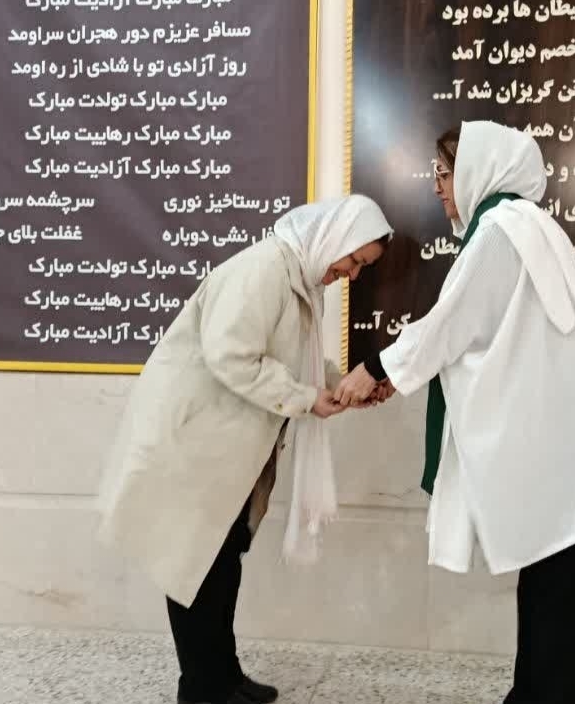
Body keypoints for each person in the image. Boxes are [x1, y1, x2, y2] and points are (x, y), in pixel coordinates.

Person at [334, 121, 575, 704]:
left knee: (554, 593)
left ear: (481, 169)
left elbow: (449, 326)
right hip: (572, 444)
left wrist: (374, 369)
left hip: (561, 448)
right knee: (555, 589)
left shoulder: (501, 231)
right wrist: (394, 372)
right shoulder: (532, 226)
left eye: (445, 172)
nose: (437, 187)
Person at [96, 194, 394, 704]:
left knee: (223, 560)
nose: (353, 274)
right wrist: (308, 399)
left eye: (362, 266)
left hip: (227, 451)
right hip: (194, 443)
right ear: (334, 239)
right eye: (354, 260)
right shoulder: (264, 270)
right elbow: (230, 356)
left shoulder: (299, 279)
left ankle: (224, 676)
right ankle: (201, 689)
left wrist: (345, 385)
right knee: (196, 567)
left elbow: (295, 361)